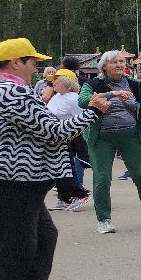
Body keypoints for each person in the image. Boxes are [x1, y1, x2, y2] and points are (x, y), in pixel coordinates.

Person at [0, 39, 110, 280]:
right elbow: (54, 131)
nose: (39, 68)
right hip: (13, 180)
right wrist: (93, 110)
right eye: (33, 61)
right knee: (11, 246)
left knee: (42, 237)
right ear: (16, 62)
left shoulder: (0, 89)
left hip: (18, 179)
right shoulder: (10, 92)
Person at [78, 50, 141, 234]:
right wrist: (113, 94)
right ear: (104, 66)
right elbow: (83, 101)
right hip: (101, 138)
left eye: (121, 62)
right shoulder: (93, 84)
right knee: (102, 178)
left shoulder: (136, 84)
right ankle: (104, 220)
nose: (119, 65)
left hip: (131, 136)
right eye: (114, 62)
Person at [45, 72, 92, 210]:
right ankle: (64, 197)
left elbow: (83, 120)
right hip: (56, 138)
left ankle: (80, 194)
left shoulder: (73, 99)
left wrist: (70, 136)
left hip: (68, 138)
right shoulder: (57, 97)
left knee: (66, 169)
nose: (53, 83)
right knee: (58, 170)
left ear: (66, 82)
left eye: (56, 81)